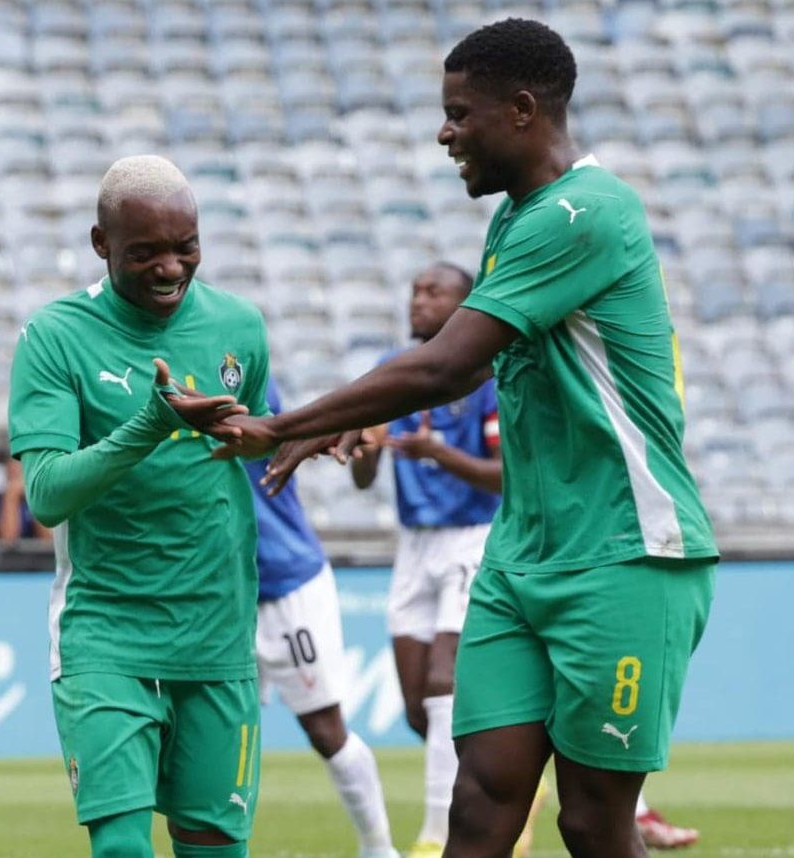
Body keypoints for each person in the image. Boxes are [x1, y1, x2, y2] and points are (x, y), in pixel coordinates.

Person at [212, 20, 718, 858]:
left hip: (626, 553)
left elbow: (448, 366)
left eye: (458, 112)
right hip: (521, 554)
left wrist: (284, 424)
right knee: (478, 806)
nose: (444, 132)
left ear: (521, 110)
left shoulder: (586, 213)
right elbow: (476, 368)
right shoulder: (515, 223)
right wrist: (352, 420)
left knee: (593, 821)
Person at [8, 155, 271, 858]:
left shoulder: (240, 326)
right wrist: (150, 425)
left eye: (185, 248)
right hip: (108, 632)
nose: (169, 268)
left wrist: (322, 433)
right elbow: (47, 494)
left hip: (218, 632)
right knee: (122, 849)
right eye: (144, 252)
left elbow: (256, 439)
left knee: (214, 846)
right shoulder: (55, 335)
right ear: (102, 244)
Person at [347, 262, 501, 858]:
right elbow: (363, 477)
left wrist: (439, 452)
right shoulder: (394, 374)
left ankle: (438, 837)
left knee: (445, 684)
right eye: (414, 290)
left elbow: (504, 476)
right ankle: (508, 782)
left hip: (473, 536)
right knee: (420, 708)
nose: (419, 300)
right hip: (413, 546)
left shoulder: (484, 376)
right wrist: (363, 445)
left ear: (464, 305)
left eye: (435, 292)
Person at [249, 378, 397, 858]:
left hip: (285, 578)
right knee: (219, 733)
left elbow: (271, 432)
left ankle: (379, 848)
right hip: (217, 589)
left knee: (325, 729)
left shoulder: (243, 373)